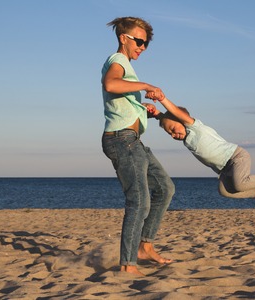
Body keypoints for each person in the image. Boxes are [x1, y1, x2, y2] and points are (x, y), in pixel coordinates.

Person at [101, 17, 175, 276]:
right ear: (124, 38)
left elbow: (118, 99)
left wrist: (143, 109)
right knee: (139, 201)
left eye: (146, 43)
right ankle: (128, 264)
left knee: (165, 188)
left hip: (132, 140)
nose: (143, 47)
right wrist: (146, 86)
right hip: (121, 140)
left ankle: (145, 246)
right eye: (139, 41)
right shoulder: (117, 61)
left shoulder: (127, 68)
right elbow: (110, 84)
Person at [144, 96, 255, 209]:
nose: (173, 135)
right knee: (225, 191)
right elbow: (169, 119)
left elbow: (174, 113)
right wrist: (156, 114)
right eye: (170, 134)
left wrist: (162, 99)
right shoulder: (185, 137)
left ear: (183, 120)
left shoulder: (194, 127)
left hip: (235, 156)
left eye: (173, 129)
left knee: (239, 184)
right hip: (224, 168)